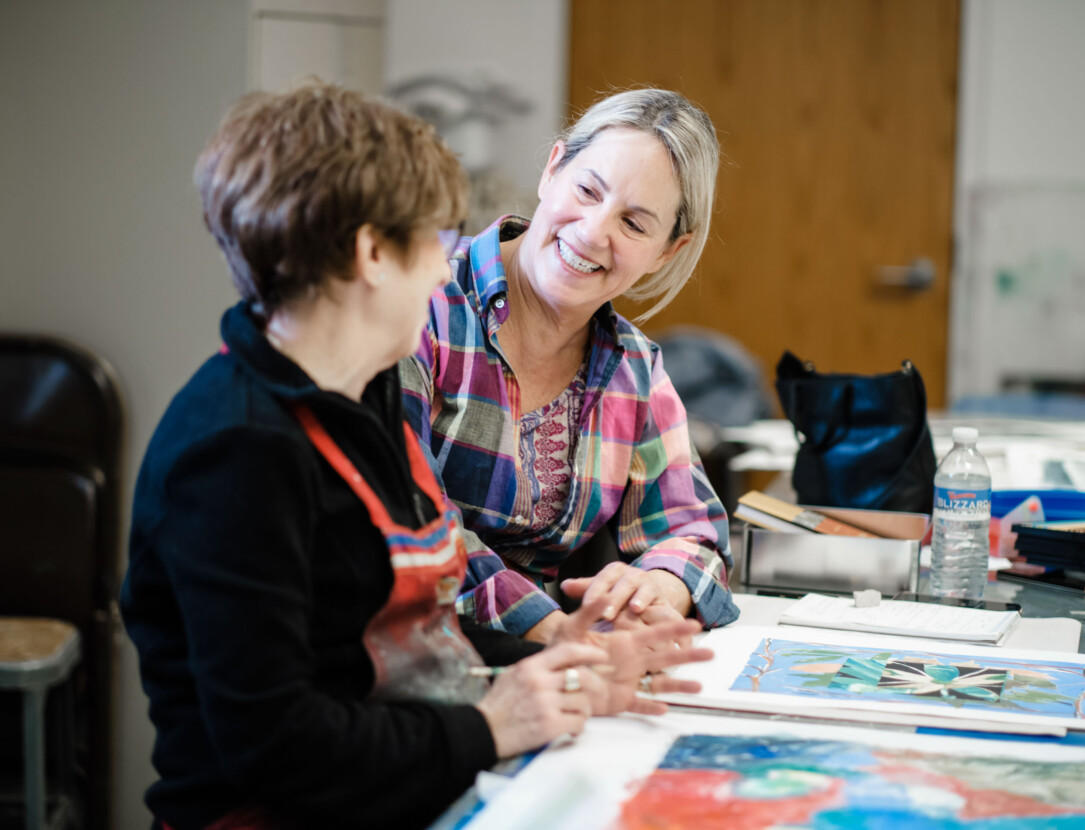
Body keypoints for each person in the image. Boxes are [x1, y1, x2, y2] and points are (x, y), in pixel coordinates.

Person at [120, 82, 711, 830]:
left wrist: (557, 658)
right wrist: (494, 723)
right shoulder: (234, 452)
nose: (446, 272)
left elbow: (401, 643)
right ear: (372, 254)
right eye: (433, 244)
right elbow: (276, 747)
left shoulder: (357, 394)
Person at [401, 88, 741, 644]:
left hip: (549, 662)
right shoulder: (420, 301)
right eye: (587, 189)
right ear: (553, 168)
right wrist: (557, 631)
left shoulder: (634, 368)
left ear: (666, 252)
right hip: (403, 659)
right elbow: (410, 518)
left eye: (634, 224)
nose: (592, 231)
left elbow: (693, 531)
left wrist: (655, 588)